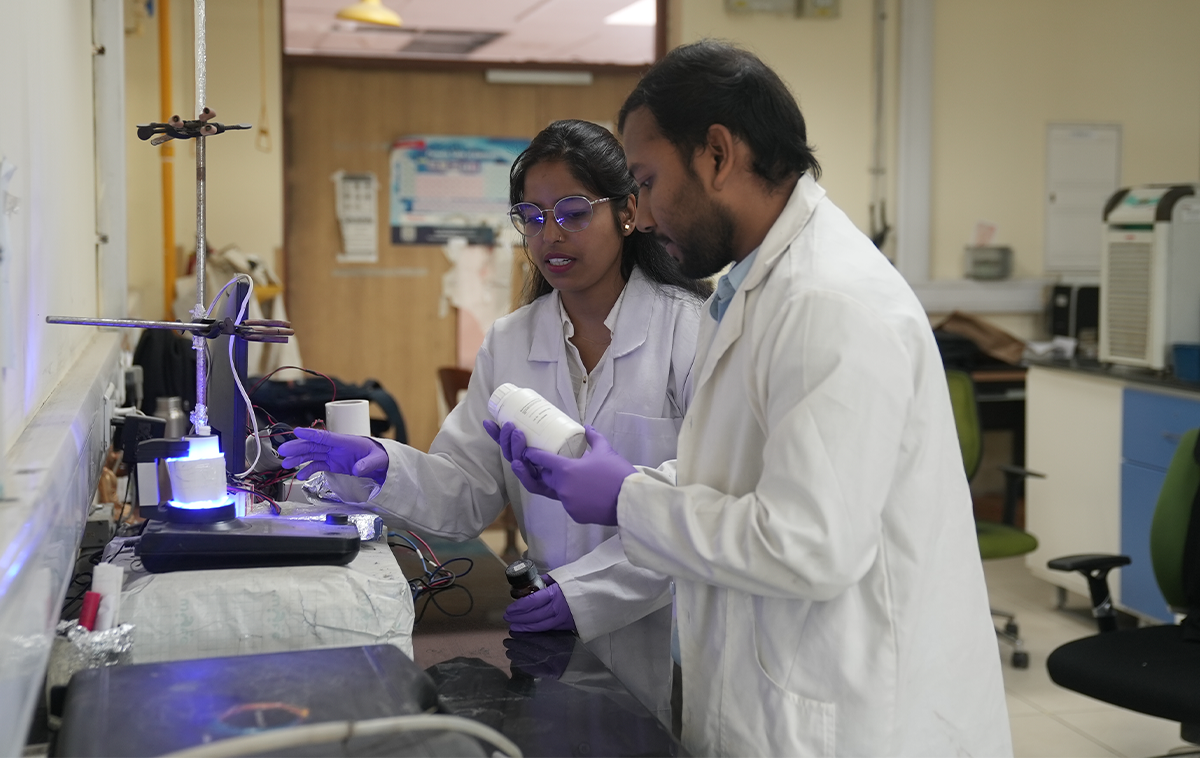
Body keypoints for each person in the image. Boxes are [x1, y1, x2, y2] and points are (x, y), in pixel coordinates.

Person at [503, 42, 1013, 758]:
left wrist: (627, 501)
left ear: (717, 155)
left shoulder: (829, 301)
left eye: (646, 182)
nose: (641, 216)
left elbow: (808, 546)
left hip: (850, 719)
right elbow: (744, 472)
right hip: (780, 693)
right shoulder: (755, 289)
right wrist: (635, 481)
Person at [278, 119, 709, 723]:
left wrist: (585, 595)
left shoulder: (690, 332)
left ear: (629, 211)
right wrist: (383, 466)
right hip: (547, 634)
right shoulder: (511, 342)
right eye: (531, 216)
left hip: (671, 635)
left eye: (573, 211)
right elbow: (468, 489)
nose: (550, 234)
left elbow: (699, 504)